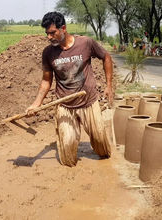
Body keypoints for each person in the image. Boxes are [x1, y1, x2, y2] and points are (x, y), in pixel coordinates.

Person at [25, 12, 113, 167]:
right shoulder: (48, 53)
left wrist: (109, 86)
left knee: (102, 146)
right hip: (65, 104)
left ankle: (100, 145)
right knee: (67, 153)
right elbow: (46, 80)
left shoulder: (85, 43)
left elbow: (106, 57)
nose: (49, 37)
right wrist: (36, 104)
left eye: (52, 33)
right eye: (47, 33)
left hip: (88, 100)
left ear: (63, 28)